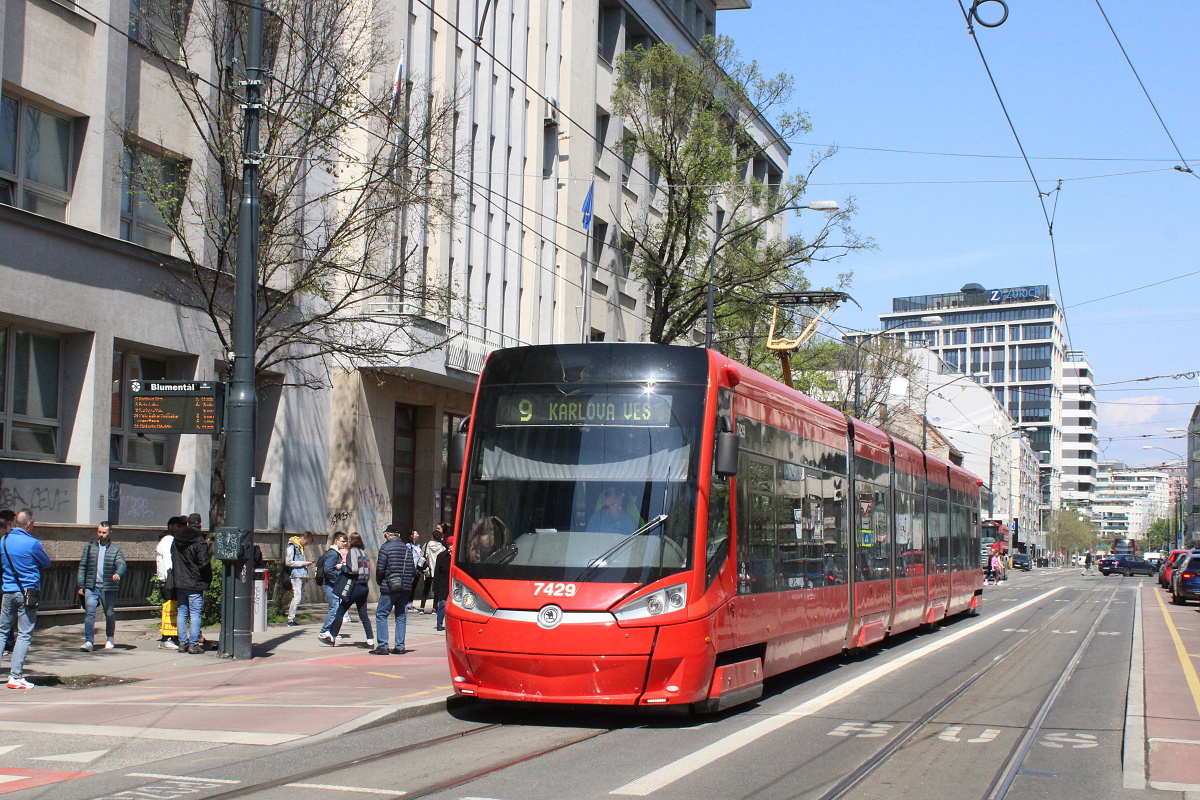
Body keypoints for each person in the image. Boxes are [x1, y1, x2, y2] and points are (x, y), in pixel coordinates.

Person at [0, 510, 50, 689]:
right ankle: (15, 676)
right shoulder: (32, 543)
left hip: (7, 591)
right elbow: (46, 563)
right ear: (28, 524)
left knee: (2, 631)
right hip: (27, 592)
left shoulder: (3, 541)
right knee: (24, 633)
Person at [77, 521, 127, 651]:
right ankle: (89, 641)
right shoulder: (90, 547)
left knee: (109, 613)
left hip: (108, 587)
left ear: (110, 532)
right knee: (89, 612)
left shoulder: (115, 549)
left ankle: (110, 637)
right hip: (91, 586)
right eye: (99, 532)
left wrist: (118, 574)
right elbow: (82, 566)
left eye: (104, 532)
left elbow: (122, 564)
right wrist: (81, 585)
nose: (101, 534)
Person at [372, 525, 416, 655]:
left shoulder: (385, 548)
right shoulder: (407, 549)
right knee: (401, 616)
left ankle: (383, 645)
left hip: (390, 586)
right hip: (405, 587)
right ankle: (400, 646)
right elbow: (413, 570)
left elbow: (380, 569)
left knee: (381, 614)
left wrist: (381, 582)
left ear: (387, 535)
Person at [171, 525, 212, 654]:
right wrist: (207, 579)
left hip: (180, 581)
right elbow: (204, 563)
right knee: (195, 613)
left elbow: (173, 559)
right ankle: (194, 644)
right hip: (195, 583)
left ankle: (182, 643)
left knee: (182, 612)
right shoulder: (199, 542)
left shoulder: (176, 540)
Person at [330, 533, 373, 646]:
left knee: (340, 611)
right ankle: (370, 640)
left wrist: (342, 567)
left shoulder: (352, 552)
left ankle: (332, 637)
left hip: (356, 585)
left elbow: (353, 569)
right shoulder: (364, 553)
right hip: (364, 586)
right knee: (363, 615)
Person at [156, 517, 184, 649]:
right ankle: (167, 638)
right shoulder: (168, 540)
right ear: (172, 526)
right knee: (170, 609)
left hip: (167, 580)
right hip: (169, 580)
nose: (181, 529)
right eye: (179, 526)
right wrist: (171, 578)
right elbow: (168, 561)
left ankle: (173, 637)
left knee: (172, 609)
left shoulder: (167, 540)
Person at [316, 532, 349, 646]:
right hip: (330, 584)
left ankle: (329, 631)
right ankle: (324, 631)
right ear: (336, 541)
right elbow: (328, 570)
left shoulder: (335, 553)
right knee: (335, 607)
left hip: (331, 584)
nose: (345, 544)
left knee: (335, 607)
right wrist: (337, 578)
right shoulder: (333, 554)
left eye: (346, 541)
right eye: (342, 541)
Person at [284, 532, 314, 626]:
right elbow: (288, 562)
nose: (306, 544)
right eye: (307, 542)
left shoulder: (299, 547)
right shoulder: (292, 546)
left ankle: (292, 618)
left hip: (301, 574)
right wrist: (303, 563)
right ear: (303, 538)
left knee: (297, 597)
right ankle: (290, 619)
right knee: (297, 597)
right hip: (296, 575)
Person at [415, 526, 447, 613]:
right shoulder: (442, 548)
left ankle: (422, 607)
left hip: (428, 570)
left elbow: (422, 556)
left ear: (432, 536)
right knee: (436, 590)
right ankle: (434, 608)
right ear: (440, 538)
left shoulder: (427, 545)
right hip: (437, 571)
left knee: (426, 589)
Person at [432, 535, 453, 632]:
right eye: (450, 544)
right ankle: (439, 623)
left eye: (453, 544)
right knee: (443, 604)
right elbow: (437, 573)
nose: (452, 546)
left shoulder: (458, 556)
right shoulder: (442, 556)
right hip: (444, 585)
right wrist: (435, 587)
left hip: (455, 585)